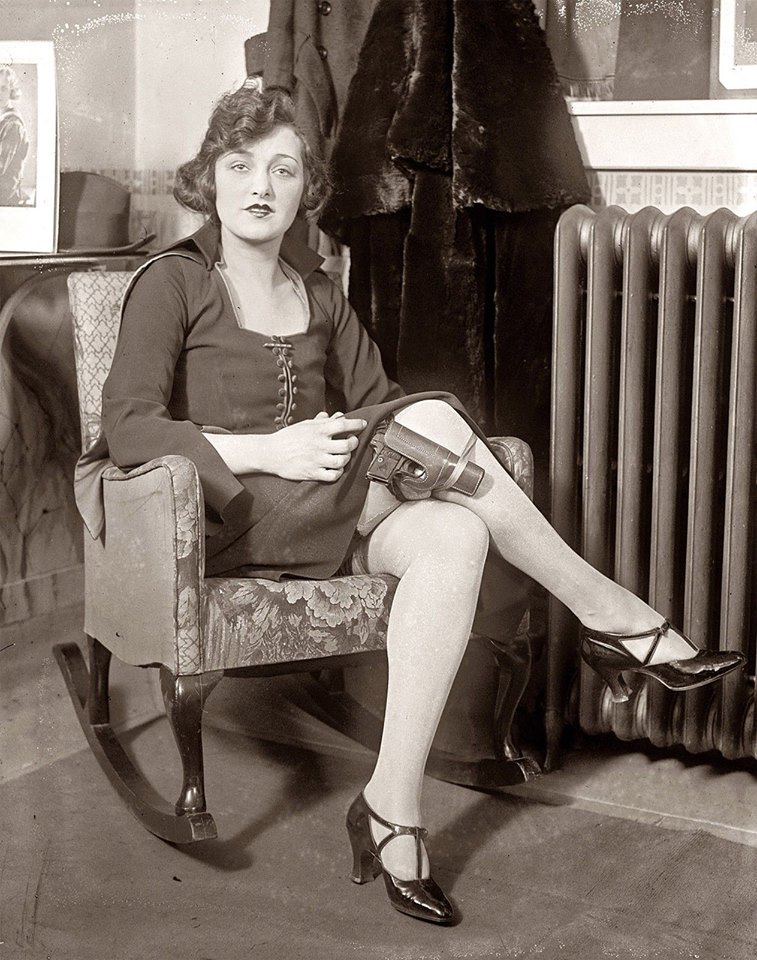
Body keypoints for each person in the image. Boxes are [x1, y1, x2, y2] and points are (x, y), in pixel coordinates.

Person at [96, 86, 744, 926]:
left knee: (453, 531)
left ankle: (389, 807)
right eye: (240, 166)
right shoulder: (173, 282)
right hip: (226, 522)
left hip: (322, 515)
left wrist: (393, 462)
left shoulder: (317, 292)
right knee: (433, 423)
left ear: (305, 190)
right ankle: (610, 614)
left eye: (283, 170)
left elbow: (381, 407)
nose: (260, 186)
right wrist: (269, 450)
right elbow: (129, 428)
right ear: (208, 179)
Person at [0, 65, 29, 206]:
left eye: (3, 88)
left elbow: (1, 166)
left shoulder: (13, 124)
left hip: (5, 197)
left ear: (11, 91)